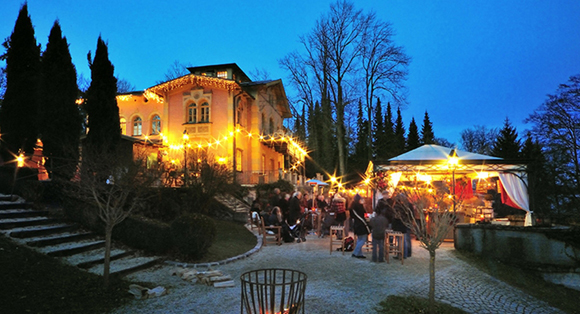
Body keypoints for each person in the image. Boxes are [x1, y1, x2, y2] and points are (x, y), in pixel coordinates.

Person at [350, 194, 370, 259]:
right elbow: (364, 213)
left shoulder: (352, 207)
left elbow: (352, 216)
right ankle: (355, 252)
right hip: (361, 224)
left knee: (359, 239)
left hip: (356, 224)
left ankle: (359, 254)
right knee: (363, 239)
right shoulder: (359, 206)